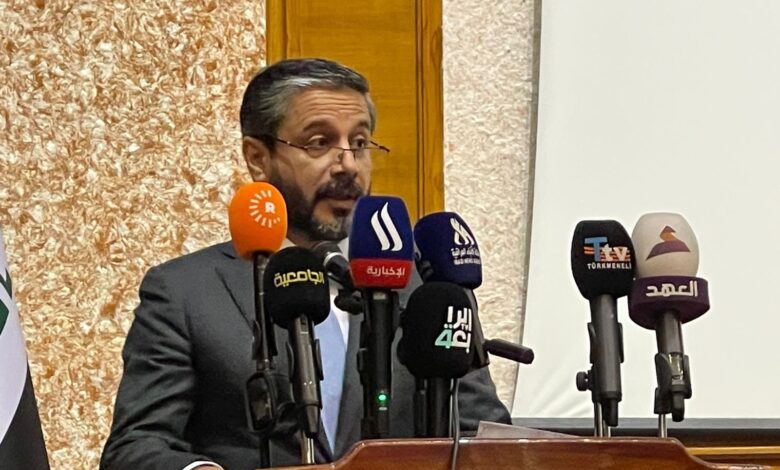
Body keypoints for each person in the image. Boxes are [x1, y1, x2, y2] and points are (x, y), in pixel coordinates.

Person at [100, 58, 510, 470]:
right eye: (319, 143)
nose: (348, 164)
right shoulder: (186, 292)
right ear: (258, 158)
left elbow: (484, 435)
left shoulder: (424, 288)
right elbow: (135, 446)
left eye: (360, 143)